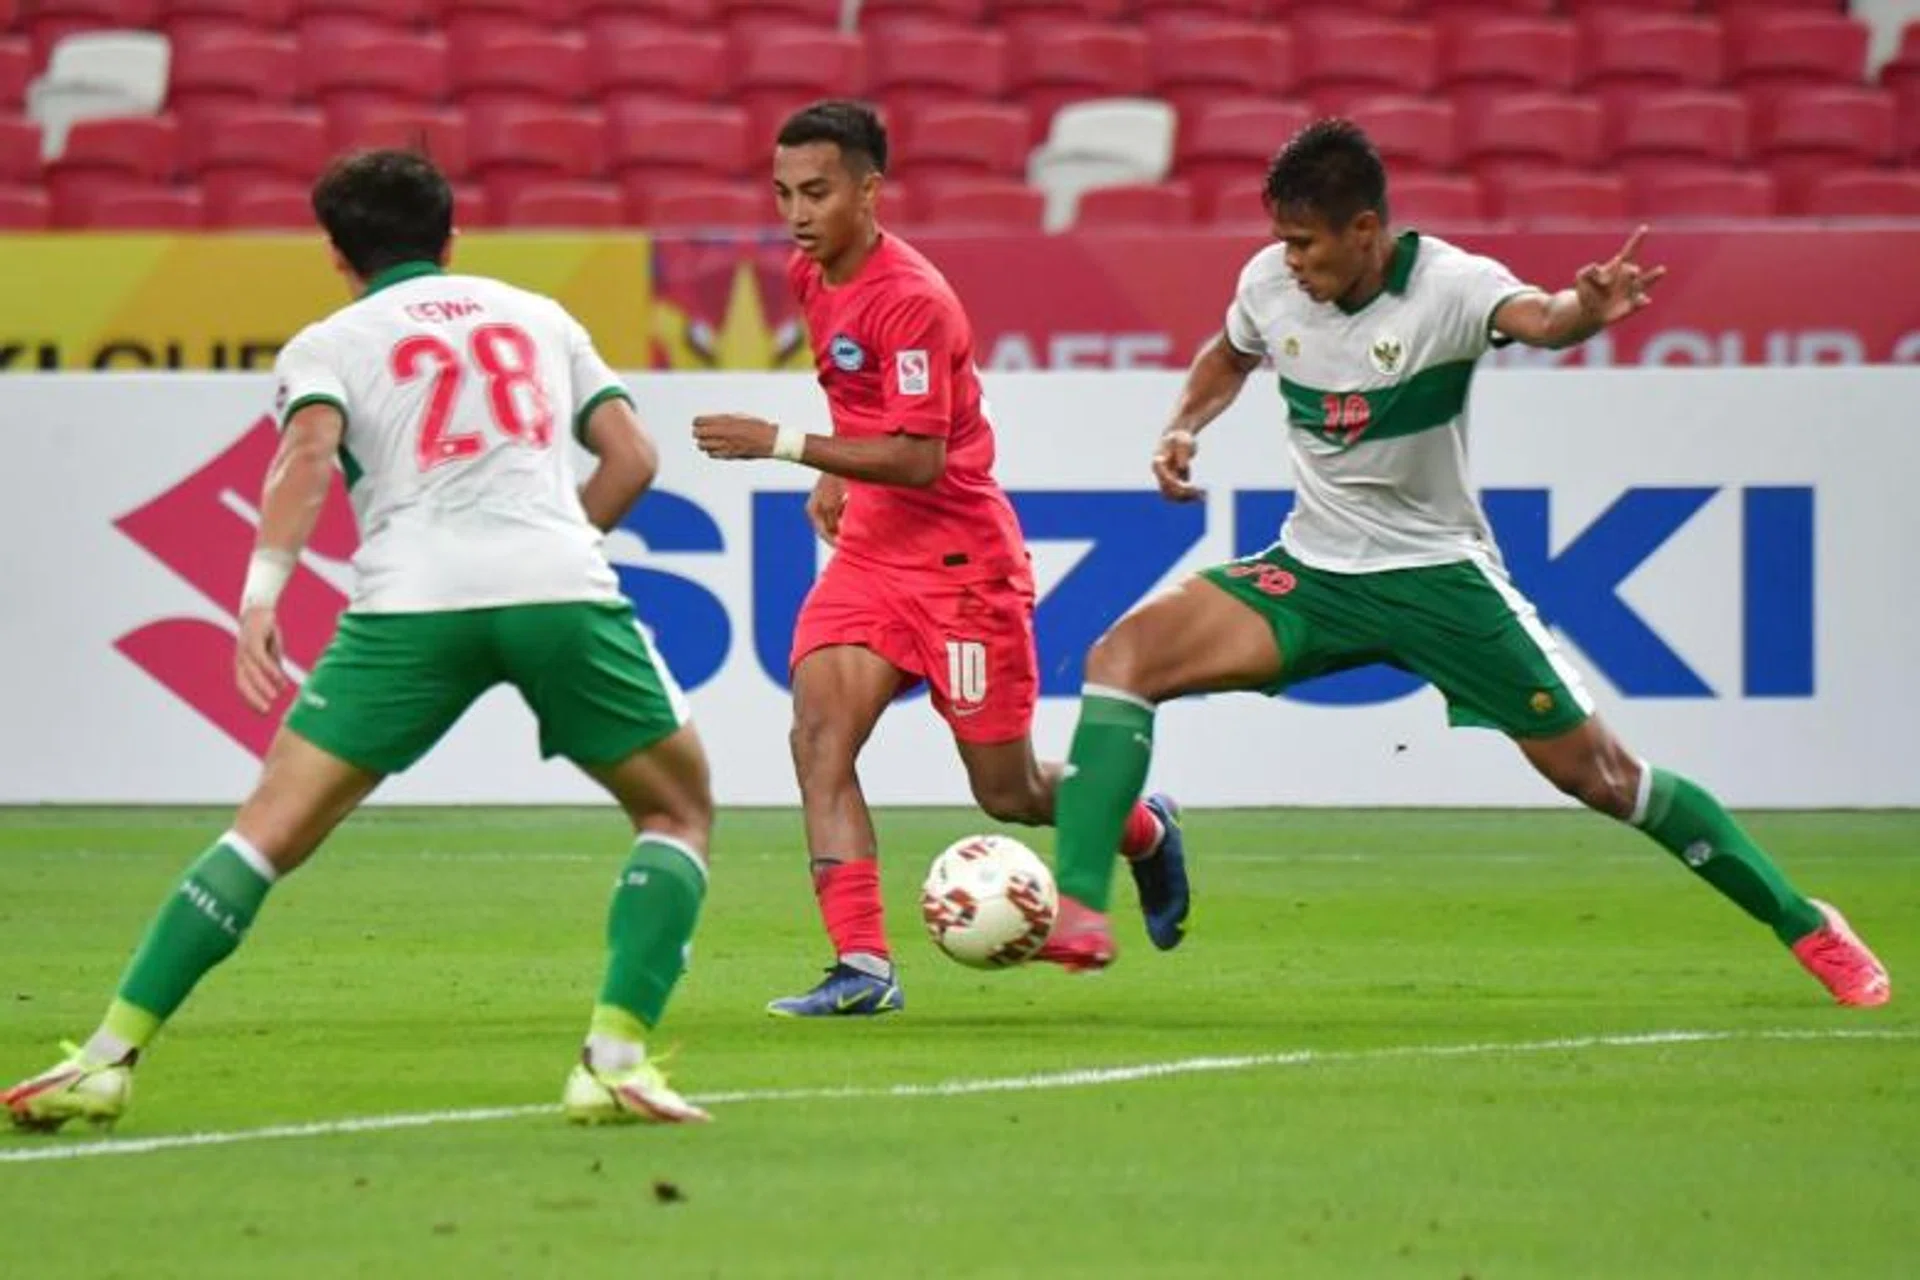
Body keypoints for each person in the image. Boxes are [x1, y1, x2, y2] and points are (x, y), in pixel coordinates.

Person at [1041, 119, 1891, 1009]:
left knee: (1604, 778)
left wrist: (1584, 311)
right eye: (1282, 241)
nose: (1290, 261)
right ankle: (1080, 907)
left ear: (1363, 230)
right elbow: (1229, 354)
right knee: (1123, 657)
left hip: (1436, 580)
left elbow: (1541, 319)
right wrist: (1183, 426)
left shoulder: (1450, 286)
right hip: (1314, 573)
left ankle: (1806, 923)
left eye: (1305, 242)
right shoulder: (1268, 283)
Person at [5, 150, 717, 1133]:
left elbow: (306, 455)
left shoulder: (328, 343)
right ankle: (612, 1061)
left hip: (408, 602)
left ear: (336, 255)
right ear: (451, 239)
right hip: (557, 586)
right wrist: (552, 552)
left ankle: (105, 1056)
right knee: (675, 810)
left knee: (265, 834)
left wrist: (261, 597)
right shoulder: (540, 315)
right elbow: (632, 455)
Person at [692, 100, 1183, 1017]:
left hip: (960, 569)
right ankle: (864, 967)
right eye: (784, 193)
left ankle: (1144, 829)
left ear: (869, 190)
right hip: (872, 557)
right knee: (818, 739)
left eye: (816, 192)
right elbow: (865, 401)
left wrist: (784, 445)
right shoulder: (811, 273)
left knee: (1009, 792)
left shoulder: (913, 300)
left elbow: (921, 458)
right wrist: (839, 469)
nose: (796, 214)